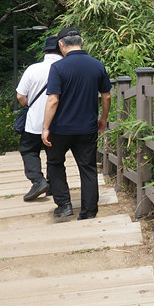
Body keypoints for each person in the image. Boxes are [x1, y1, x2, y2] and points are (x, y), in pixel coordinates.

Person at [41, 26, 111, 219]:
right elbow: (106, 96)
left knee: (55, 163)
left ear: (61, 44)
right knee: (88, 168)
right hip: (87, 128)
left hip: (60, 128)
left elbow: (53, 100)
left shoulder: (58, 67)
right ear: (82, 42)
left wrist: (45, 128)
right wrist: (103, 118)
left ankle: (64, 205)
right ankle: (88, 212)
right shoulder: (97, 65)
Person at [15, 35, 62, 201]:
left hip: (34, 122)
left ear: (45, 51)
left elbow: (20, 96)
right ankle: (53, 187)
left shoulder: (33, 69)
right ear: (62, 48)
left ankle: (38, 181)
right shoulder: (65, 68)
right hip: (58, 122)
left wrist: (30, 105)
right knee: (54, 155)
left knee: (29, 150)